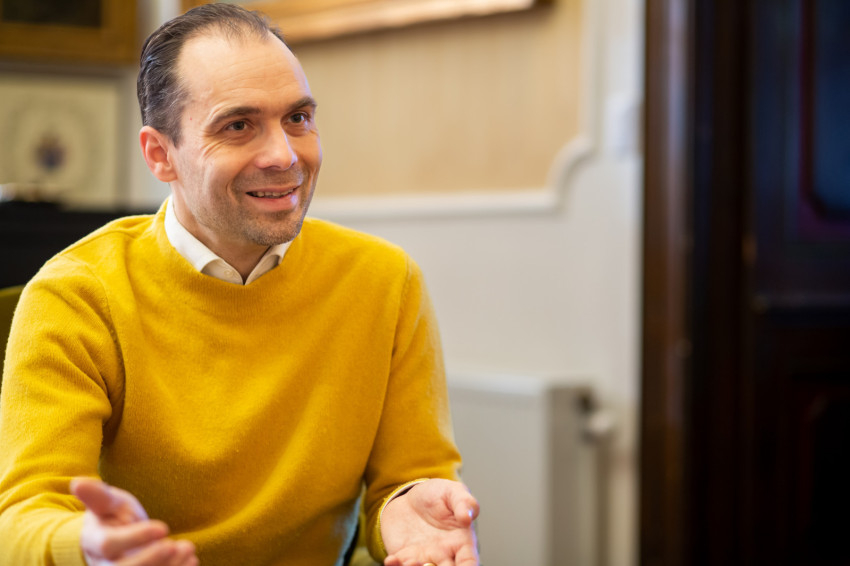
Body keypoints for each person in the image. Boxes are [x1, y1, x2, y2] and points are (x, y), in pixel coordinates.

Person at [0, 4, 479, 565]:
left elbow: (410, 479)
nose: (284, 155)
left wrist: (405, 506)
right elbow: (24, 517)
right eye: (237, 126)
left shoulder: (385, 281)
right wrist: (85, 546)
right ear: (160, 154)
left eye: (298, 118)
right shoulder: (76, 294)